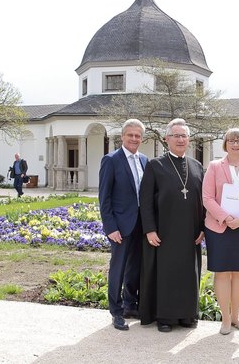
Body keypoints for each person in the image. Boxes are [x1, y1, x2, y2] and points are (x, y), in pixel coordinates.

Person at [139, 118, 205, 333]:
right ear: (167, 139)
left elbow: (203, 200)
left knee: (188, 274)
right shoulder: (155, 165)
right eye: (176, 135)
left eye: (184, 136)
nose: (180, 139)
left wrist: (203, 227)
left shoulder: (196, 166)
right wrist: (149, 229)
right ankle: (165, 316)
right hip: (164, 232)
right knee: (166, 274)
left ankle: (187, 315)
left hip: (190, 233)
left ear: (189, 140)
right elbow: (145, 200)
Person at [202, 128, 239, 334]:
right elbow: (207, 197)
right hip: (219, 227)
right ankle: (225, 320)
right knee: (222, 273)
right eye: (231, 141)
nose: (235, 144)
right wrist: (226, 218)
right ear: (225, 144)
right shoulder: (214, 166)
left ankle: (236, 317)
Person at [98, 119, 148, 331]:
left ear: (141, 138)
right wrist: (110, 227)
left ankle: (130, 305)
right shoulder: (111, 160)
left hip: (141, 225)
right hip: (120, 225)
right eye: (130, 135)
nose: (134, 139)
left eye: (138, 136)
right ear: (122, 136)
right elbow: (104, 198)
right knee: (118, 268)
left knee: (135, 268)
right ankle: (116, 312)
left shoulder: (145, 160)